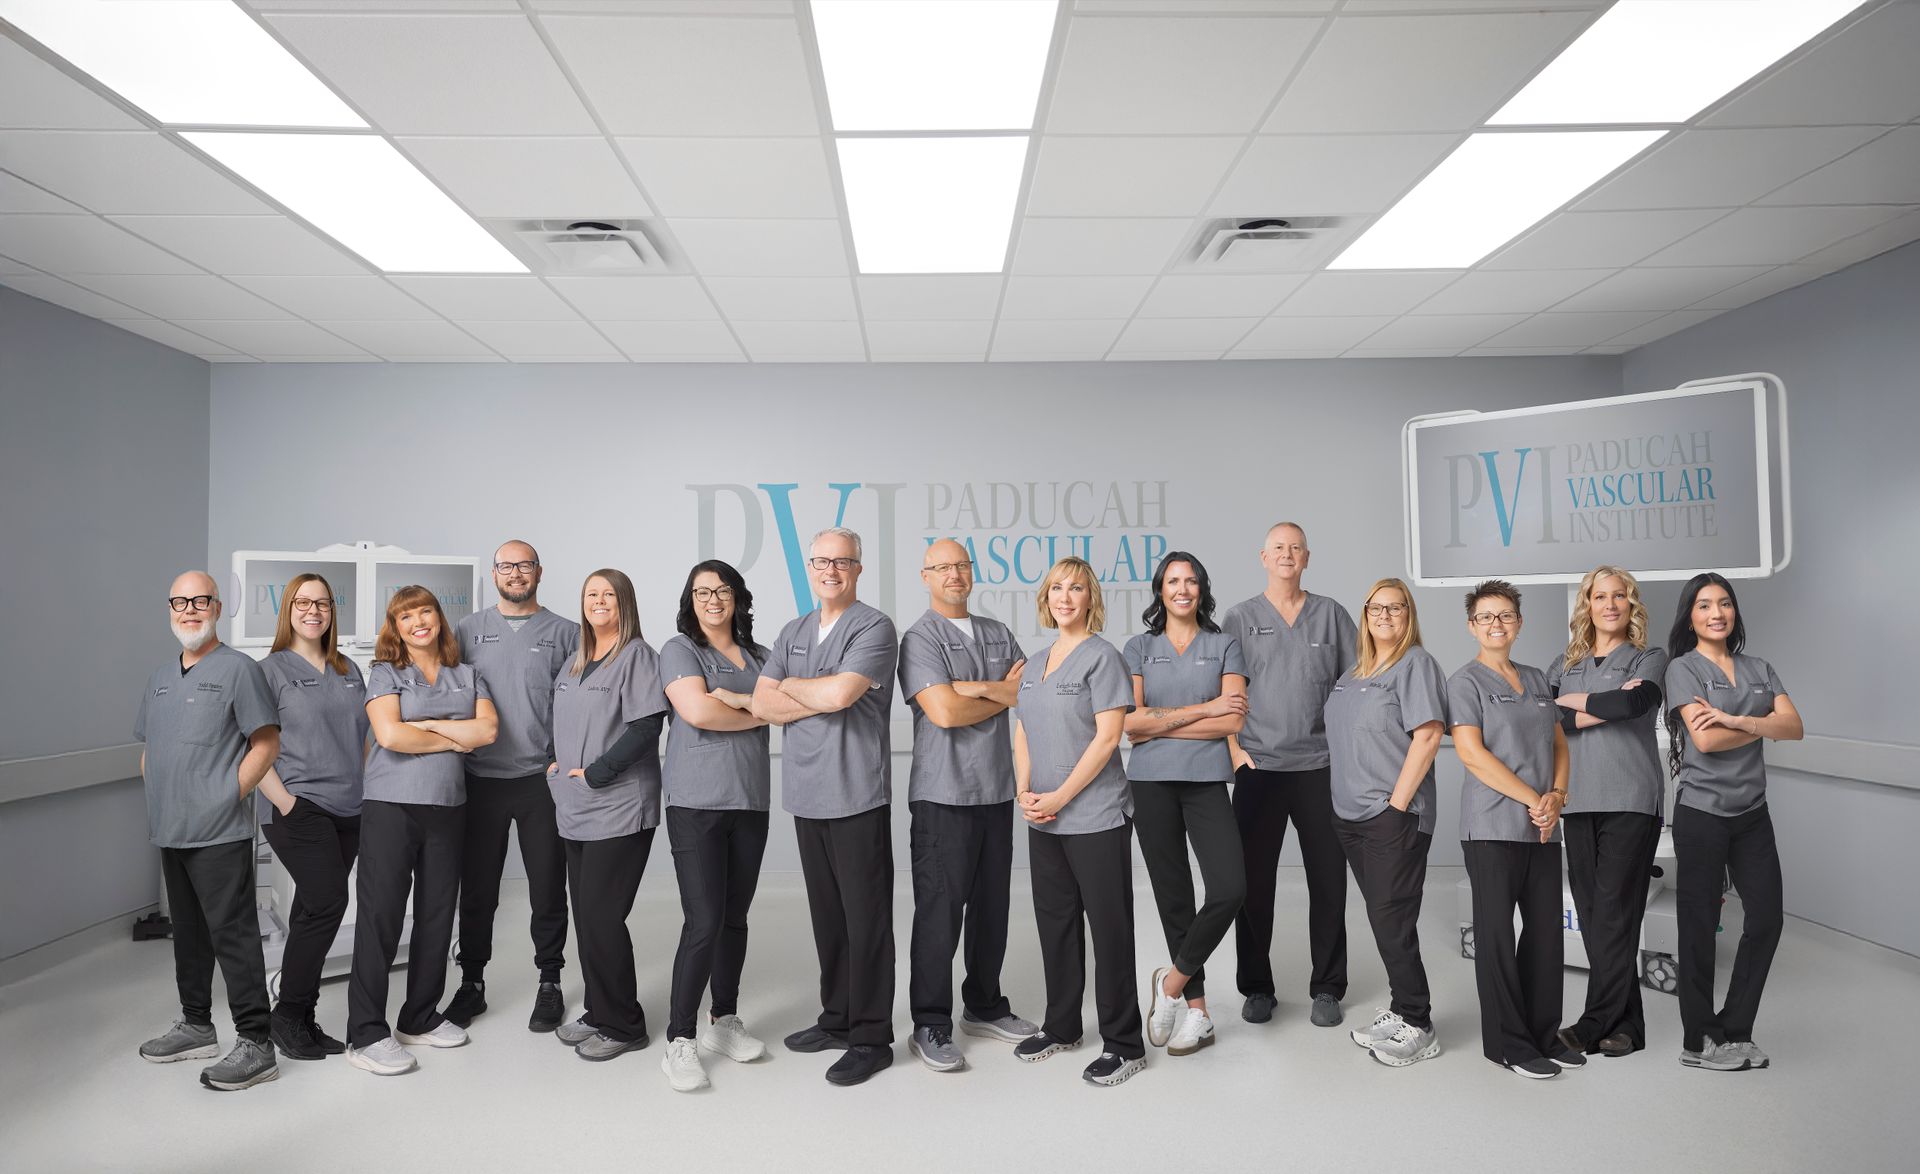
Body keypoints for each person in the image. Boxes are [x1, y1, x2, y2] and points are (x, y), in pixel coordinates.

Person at [751, 527, 900, 1087]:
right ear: (810, 569)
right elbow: (764, 703)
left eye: (842, 561)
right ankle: (836, 1017)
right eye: (821, 561)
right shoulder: (793, 630)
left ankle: (870, 1036)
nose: (830, 570)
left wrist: (794, 687)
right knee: (828, 917)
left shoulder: (875, 627)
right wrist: (803, 689)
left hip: (856, 792)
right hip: (807, 794)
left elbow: (841, 696)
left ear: (858, 568)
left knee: (866, 921)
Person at [134, 571, 282, 1091]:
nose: (189, 609)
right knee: (190, 934)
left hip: (219, 830)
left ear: (218, 607)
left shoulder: (239, 670)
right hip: (171, 829)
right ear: (169, 608)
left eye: (200, 600)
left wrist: (225, 796)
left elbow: (265, 744)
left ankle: (257, 1044)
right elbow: (151, 746)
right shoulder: (158, 675)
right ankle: (197, 1024)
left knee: (233, 935)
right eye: (180, 601)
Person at [897, 539, 1040, 1073]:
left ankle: (983, 1005)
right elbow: (946, 713)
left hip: (995, 791)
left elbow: (1031, 690)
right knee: (940, 910)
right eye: (942, 567)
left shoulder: (996, 631)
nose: (954, 574)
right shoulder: (919, 639)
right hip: (943, 795)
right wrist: (995, 692)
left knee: (991, 907)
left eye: (961, 565)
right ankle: (929, 1022)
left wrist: (975, 686)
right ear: (926, 575)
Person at [346, 586, 497, 1077]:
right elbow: (389, 735)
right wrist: (454, 731)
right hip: (392, 806)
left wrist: (424, 726)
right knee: (381, 917)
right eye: (405, 616)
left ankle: (419, 1017)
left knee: (436, 915)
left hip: (449, 808)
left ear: (439, 617)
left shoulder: (467, 673)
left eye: (425, 611)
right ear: (395, 626)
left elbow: (489, 732)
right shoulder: (385, 672)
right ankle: (366, 1033)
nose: (417, 622)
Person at [1011, 557, 1146, 1087]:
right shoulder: (1038, 660)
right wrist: (1024, 790)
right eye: (1057, 588)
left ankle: (1124, 1042)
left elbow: (1108, 738)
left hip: (1094, 817)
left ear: (1091, 598)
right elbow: (1023, 730)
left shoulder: (1102, 658)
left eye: (1076, 588)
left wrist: (1061, 796)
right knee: (1056, 925)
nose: (1065, 596)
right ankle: (1063, 1026)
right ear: (1046, 598)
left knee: (1109, 930)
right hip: (1042, 818)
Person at [1664, 572, 1802, 1072]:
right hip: (1702, 814)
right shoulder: (1683, 669)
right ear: (1691, 616)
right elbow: (1704, 742)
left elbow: (1796, 726)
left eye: (1724, 604)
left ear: (1734, 613)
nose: (1716, 613)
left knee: (1766, 920)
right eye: (1704, 606)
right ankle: (1698, 1040)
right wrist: (1764, 725)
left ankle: (1735, 1030)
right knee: (1699, 928)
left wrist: (1738, 720)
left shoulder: (1760, 666)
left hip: (1752, 816)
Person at [1223, 522, 1357, 1028]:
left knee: (1329, 882)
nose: (1287, 555)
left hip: (1320, 768)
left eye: (1295, 548)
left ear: (1307, 558)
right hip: (1258, 767)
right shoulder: (1238, 618)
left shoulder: (1333, 616)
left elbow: (1354, 689)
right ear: (1263, 557)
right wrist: (1234, 751)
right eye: (1278, 548)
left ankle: (1327, 987)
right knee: (1252, 884)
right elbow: (1223, 694)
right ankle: (1256, 986)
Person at [1448, 579, 1580, 1079]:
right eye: (1486, 617)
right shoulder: (1465, 682)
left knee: (1546, 934)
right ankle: (1508, 1045)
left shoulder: (1537, 679)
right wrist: (1535, 800)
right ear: (1472, 626)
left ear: (1519, 623)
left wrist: (1558, 799)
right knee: (1498, 937)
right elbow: (1471, 754)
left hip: (1543, 827)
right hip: (1491, 828)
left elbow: (1559, 745)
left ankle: (1544, 1033)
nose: (1497, 624)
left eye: (1505, 615)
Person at [446, 541, 578, 1033]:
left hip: (540, 780)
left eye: (524, 565)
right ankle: (472, 982)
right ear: (493, 574)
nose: (515, 573)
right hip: (481, 780)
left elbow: (579, 704)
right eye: (506, 565)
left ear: (539, 572)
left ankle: (550, 982)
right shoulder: (466, 632)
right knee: (478, 890)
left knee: (547, 887)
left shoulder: (566, 633)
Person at [1125, 552, 1249, 1058]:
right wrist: (1203, 709)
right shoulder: (1138, 648)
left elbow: (1232, 724)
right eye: (1173, 581)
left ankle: (1170, 984)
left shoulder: (1225, 646)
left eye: (1191, 580)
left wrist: (1164, 721)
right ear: (1160, 589)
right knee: (1173, 895)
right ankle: (1198, 1011)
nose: (1182, 589)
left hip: (1206, 782)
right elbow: (1131, 725)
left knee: (1229, 887)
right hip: (1150, 784)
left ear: (1202, 589)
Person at [657, 560, 774, 1091]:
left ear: (737, 598)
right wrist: (757, 710)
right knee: (703, 920)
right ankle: (679, 1040)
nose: (712, 599)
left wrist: (739, 698)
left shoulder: (762, 656)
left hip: (749, 801)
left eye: (722, 589)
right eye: (702, 591)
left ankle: (722, 1021)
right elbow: (698, 713)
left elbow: (789, 709)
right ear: (690, 599)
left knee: (735, 918)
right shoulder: (681, 650)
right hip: (695, 803)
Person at [546, 569, 667, 1063]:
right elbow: (559, 719)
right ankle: (598, 1010)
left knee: (603, 915)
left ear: (625, 604)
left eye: (608, 595)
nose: (599, 602)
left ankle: (624, 1024)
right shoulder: (576, 660)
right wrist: (552, 764)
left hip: (618, 805)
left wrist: (596, 774)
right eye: (591, 594)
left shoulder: (637, 657)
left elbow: (645, 728)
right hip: (574, 805)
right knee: (587, 916)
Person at [1325, 578, 1446, 1069]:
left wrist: (1396, 806)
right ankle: (1400, 1008)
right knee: (1383, 917)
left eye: (1396, 608)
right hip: (1349, 817)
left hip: (1392, 816)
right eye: (1376, 607)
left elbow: (1429, 735)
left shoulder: (1415, 664)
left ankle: (1419, 1023)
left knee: (1391, 920)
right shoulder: (1353, 673)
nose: (1385, 615)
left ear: (1409, 615)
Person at [1549, 565, 1668, 1058]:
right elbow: (1549, 718)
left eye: (1620, 596)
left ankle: (1591, 1022)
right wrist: (1597, 703)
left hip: (1631, 800)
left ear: (1631, 603)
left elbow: (1634, 705)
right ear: (1588, 605)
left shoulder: (1649, 657)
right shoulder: (1566, 663)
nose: (1611, 604)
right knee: (1597, 916)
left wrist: (1576, 707)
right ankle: (1628, 1027)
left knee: (1617, 914)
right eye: (1601, 596)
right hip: (1578, 801)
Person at [257, 572, 370, 1062]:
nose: (313, 611)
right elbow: (252, 745)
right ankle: (286, 1014)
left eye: (322, 603)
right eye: (303, 602)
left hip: (352, 808)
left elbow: (362, 739)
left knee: (310, 910)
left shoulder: (348, 670)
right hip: (300, 804)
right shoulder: (269, 671)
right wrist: (285, 802)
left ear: (331, 612)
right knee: (328, 902)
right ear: (288, 610)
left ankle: (302, 1016)